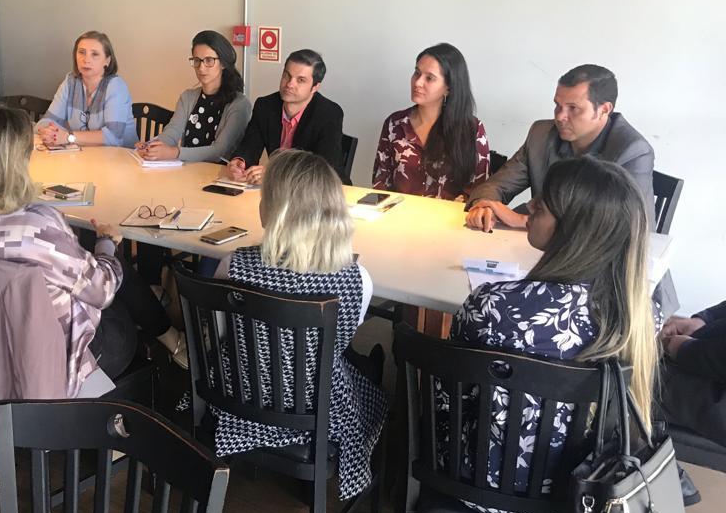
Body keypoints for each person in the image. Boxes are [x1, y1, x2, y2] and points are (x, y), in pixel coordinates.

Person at [442, 156, 658, 513]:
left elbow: (450, 397)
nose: (529, 206)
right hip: (584, 495)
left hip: (475, 482)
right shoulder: (641, 315)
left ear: (572, 228)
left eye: (541, 205)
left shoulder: (495, 305)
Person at [213, 149, 387, 499]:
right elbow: (337, 343)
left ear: (275, 213)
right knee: (373, 389)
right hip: (319, 411)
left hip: (238, 399)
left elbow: (221, 334)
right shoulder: (357, 280)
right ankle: (320, 472)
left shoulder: (231, 265)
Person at [0, 105, 138, 379]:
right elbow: (102, 292)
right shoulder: (38, 228)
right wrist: (106, 243)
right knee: (125, 307)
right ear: (19, 160)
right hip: (55, 359)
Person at [464, 63, 677, 314]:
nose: (559, 116)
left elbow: (629, 233)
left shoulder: (631, 150)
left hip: (615, 288)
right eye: (557, 105)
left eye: (573, 108)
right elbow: (495, 185)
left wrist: (523, 219)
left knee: (493, 312)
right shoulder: (541, 135)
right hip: (541, 261)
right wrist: (485, 206)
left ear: (604, 110)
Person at [372, 43, 489, 199]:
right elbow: (381, 182)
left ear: (449, 87)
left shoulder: (471, 129)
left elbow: (481, 192)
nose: (418, 82)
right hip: (400, 217)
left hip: (449, 220)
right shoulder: (395, 124)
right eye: (416, 73)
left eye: (430, 78)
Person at [227, 49, 344, 184]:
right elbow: (249, 146)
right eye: (287, 76)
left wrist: (274, 173)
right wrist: (239, 162)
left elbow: (323, 170)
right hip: (277, 191)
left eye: (300, 80)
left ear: (315, 87)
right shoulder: (265, 106)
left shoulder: (329, 114)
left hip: (320, 192)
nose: (289, 84)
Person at [135, 30, 252, 163]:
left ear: (223, 63)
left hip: (220, 176)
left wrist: (175, 152)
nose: (201, 68)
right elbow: (172, 132)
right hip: (187, 171)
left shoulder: (239, 103)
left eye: (209, 60)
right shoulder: (188, 97)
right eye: (197, 60)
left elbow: (219, 151)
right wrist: (151, 146)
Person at [37, 31, 135, 148]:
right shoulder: (70, 81)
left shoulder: (116, 86)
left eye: (95, 54)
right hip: (85, 156)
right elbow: (45, 121)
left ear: (107, 61)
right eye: (82, 52)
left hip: (121, 159)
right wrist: (49, 132)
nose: (86, 59)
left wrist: (68, 137)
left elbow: (113, 137)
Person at [659, 301, 726, 446]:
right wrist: (704, 319)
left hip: (717, 392)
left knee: (630, 379)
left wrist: (686, 350)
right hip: (705, 347)